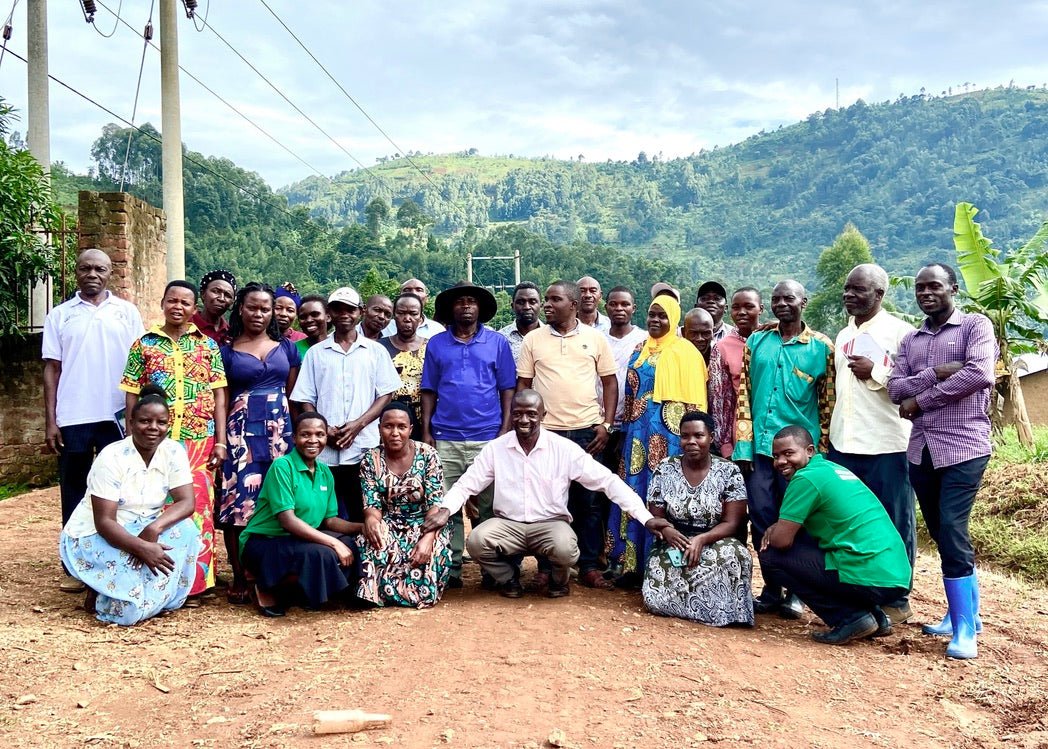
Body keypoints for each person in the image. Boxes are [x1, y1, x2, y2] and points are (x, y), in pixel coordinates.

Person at [421, 390, 674, 597]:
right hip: (508, 524)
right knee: (477, 541)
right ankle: (509, 579)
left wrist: (645, 517)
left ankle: (558, 578)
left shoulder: (563, 449)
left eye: (531, 414)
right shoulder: (496, 449)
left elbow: (608, 482)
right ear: (511, 415)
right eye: (518, 413)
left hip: (550, 525)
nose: (523, 420)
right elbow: (467, 485)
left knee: (565, 548)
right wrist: (445, 510)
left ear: (543, 415)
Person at [888, 263, 996, 660]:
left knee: (951, 526)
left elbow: (979, 374)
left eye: (934, 285)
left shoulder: (975, 326)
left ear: (953, 288)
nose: (926, 292)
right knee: (939, 527)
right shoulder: (912, 339)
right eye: (920, 287)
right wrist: (936, 372)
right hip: (922, 450)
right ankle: (961, 613)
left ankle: (966, 629)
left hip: (965, 445)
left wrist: (922, 399)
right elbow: (894, 388)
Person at [43, 248, 145, 593]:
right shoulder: (60, 315)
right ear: (76, 272)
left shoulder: (127, 313)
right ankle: (75, 566)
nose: (92, 274)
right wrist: (51, 421)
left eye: (99, 268)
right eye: (85, 268)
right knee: (74, 489)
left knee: (120, 491)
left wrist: (137, 417)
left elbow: (140, 363)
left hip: (117, 416)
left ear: (110, 273)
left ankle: (117, 560)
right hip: (73, 415)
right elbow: (51, 369)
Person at [119, 280, 228, 599]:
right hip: (157, 444)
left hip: (199, 442)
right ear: (163, 303)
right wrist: (132, 439)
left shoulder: (207, 346)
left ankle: (197, 583)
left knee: (199, 510)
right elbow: (132, 396)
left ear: (194, 309)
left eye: (185, 302)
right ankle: (162, 582)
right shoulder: (144, 345)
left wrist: (220, 441)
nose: (178, 307)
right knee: (155, 508)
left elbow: (219, 395)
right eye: (172, 301)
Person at [59, 384, 202, 625]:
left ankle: (147, 596)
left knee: (187, 530)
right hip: (96, 534)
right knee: (129, 613)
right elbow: (104, 522)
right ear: (131, 422)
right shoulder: (111, 457)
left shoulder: (174, 451)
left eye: (161, 422)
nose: (153, 428)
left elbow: (186, 502)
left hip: (143, 527)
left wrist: (153, 529)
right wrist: (141, 547)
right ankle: (102, 595)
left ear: (169, 424)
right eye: (145, 421)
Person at [733, 279, 835, 618]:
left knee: (798, 522)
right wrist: (743, 447)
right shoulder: (758, 341)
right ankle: (772, 587)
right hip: (761, 451)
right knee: (762, 518)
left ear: (803, 301)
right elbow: (744, 397)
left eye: (788, 298)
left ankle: (798, 592)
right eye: (776, 298)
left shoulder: (822, 348)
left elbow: (827, 405)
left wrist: (820, 454)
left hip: (799, 458)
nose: (781, 304)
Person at [759, 426, 911, 645]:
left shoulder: (806, 479)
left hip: (868, 573)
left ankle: (850, 618)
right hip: (894, 575)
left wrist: (773, 529)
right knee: (813, 547)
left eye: (789, 453)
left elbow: (781, 541)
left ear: (809, 450)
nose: (781, 461)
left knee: (772, 557)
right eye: (776, 456)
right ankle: (877, 616)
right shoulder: (830, 469)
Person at [517, 280, 619, 590]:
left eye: (554, 299)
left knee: (588, 502)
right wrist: (525, 429)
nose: (546, 305)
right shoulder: (533, 339)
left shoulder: (595, 339)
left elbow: (610, 383)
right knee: (547, 501)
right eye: (546, 299)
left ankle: (588, 565)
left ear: (573, 305)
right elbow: (524, 385)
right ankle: (547, 567)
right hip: (546, 433)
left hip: (587, 433)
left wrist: (607, 425)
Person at [829, 264, 916, 624]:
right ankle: (859, 596)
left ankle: (897, 598)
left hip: (887, 444)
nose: (849, 295)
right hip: (844, 444)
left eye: (858, 290)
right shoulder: (841, 334)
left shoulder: (902, 334)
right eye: (847, 289)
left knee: (895, 521)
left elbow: (915, 385)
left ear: (879, 294)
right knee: (849, 521)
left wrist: (877, 372)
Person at [421, 282, 516, 588]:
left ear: (479, 310)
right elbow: (429, 390)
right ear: (451, 309)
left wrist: (504, 429)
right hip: (445, 435)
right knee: (448, 504)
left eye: (471, 302)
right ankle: (451, 570)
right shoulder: (436, 344)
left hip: (487, 435)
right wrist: (426, 431)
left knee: (488, 506)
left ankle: (491, 569)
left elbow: (507, 388)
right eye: (460, 302)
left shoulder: (497, 343)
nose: (465, 306)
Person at [610, 295, 708, 587]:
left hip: (671, 439)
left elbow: (695, 407)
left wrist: (693, 446)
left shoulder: (686, 352)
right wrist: (625, 432)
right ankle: (632, 567)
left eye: (662, 316)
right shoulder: (640, 349)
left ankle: (664, 569)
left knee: (667, 498)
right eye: (652, 314)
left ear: (674, 320)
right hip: (637, 437)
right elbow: (630, 394)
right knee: (635, 494)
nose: (655, 320)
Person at [219, 282, 302, 603]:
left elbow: (295, 398)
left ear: (273, 313)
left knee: (280, 500)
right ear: (240, 309)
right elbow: (221, 400)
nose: (259, 314)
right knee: (239, 501)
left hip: (282, 432)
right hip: (241, 431)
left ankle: (278, 573)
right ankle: (240, 574)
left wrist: (299, 438)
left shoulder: (288, 349)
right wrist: (222, 440)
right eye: (252, 307)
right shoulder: (226, 351)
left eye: (265, 309)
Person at [291, 286, 402, 524]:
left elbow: (386, 393)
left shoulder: (375, 351)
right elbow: (305, 398)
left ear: (360, 312)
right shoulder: (316, 353)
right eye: (338, 309)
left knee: (364, 508)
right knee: (321, 511)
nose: (344, 314)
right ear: (330, 313)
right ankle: (330, 558)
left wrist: (357, 425)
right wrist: (323, 431)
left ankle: (362, 560)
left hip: (363, 444)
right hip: (324, 449)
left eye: (350, 309)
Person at [239, 412, 363, 617]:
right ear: (294, 438)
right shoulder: (282, 466)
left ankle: (303, 591)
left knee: (351, 543)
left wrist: (362, 527)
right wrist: (333, 543)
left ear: (326, 438)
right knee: (322, 553)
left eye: (320, 434)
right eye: (306, 434)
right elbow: (287, 520)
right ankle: (265, 584)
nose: (313, 440)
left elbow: (329, 520)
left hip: (298, 540)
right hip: (267, 541)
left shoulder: (324, 472)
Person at [641, 412, 752, 627]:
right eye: (685, 436)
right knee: (653, 599)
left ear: (711, 437)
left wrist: (702, 540)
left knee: (736, 555)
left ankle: (719, 608)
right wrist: (667, 532)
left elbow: (733, 522)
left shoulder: (729, 471)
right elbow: (657, 516)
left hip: (716, 540)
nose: (691, 441)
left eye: (698, 435)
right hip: (675, 541)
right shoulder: (665, 468)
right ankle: (716, 609)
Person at [357, 403, 453, 608]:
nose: (394, 433)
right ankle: (382, 594)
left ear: (410, 429)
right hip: (389, 520)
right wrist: (372, 521)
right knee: (372, 542)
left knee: (431, 551)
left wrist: (428, 538)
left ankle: (409, 592)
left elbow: (435, 504)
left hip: (425, 522)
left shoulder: (428, 455)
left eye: (401, 427)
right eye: (388, 426)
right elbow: (371, 503)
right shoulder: (370, 460)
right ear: (379, 428)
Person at [708, 287, 763, 459]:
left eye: (748, 307)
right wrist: (725, 445)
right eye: (736, 307)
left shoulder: (772, 339)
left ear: (761, 308)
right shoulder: (722, 347)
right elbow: (720, 401)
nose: (742, 312)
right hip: (739, 431)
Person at [601, 286, 649, 480]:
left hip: (631, 424)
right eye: (613, 304)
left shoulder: (645, 339)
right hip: (598, 423)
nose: (619, 308)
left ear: (634, 308)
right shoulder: (597, 338)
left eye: (625, 304)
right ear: (605, 308)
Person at [380, 293, 428, 439]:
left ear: (420, 318)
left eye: (413, 314)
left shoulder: (431, 347)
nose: (407, 318)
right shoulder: (379, 347)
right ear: (394, 315)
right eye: (401, 313)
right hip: (389, 422)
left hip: (422, 421)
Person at [382, 279, 446, 339]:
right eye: (407, 290)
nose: (413, 293)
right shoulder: (385, 327)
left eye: (419, 290)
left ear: (426, 299)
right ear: (399, 297)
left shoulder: (438, 330)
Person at [498, 281, 542, 365]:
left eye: (532, 302)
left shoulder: (552, 336)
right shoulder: (500, 339)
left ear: (541, 305)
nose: (527, 307)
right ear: (512, 306)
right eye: (521, 302)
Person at [192, 269, 237, 346]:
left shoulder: (231, 334)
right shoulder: (187, 326)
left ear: (232, 302)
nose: (221, 298)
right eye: (215, 291)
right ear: (203, 294)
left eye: (227, 295)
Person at [295, 294, 330, 360]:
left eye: (315, 314)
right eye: (303, 317)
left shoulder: (338, 347)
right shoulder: (293, 349)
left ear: (328, 317)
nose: (309, 320)